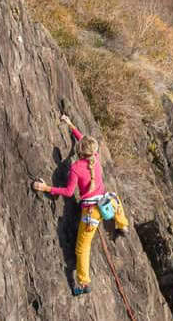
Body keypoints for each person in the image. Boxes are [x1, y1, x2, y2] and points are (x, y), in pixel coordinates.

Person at [33, 114, 128, 296]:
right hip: (105, 201)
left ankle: (84, 283)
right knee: (115, 198)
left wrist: (47, 188)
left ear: (80, 152)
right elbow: (84, 140)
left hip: (91, 212)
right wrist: (71, 125)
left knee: (82, 248)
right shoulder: (95, 156)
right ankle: (122, 225)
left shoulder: (77, 167)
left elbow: (69, 192)